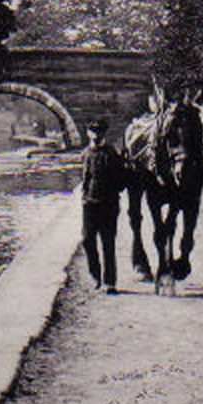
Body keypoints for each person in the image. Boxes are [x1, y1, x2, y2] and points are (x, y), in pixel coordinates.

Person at [81, 119, 125, 294]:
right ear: (88, 134)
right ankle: (95, 276)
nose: (96, 135)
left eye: (99, 132)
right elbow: (84, 179)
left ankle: (110, 282)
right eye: (93, 132)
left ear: (103, 134)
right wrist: (84, 197)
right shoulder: (85, 154)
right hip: (89, 204)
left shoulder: (111, 154)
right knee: (87, 240)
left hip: (108, 204)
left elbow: (121, 181)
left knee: (108, 243)